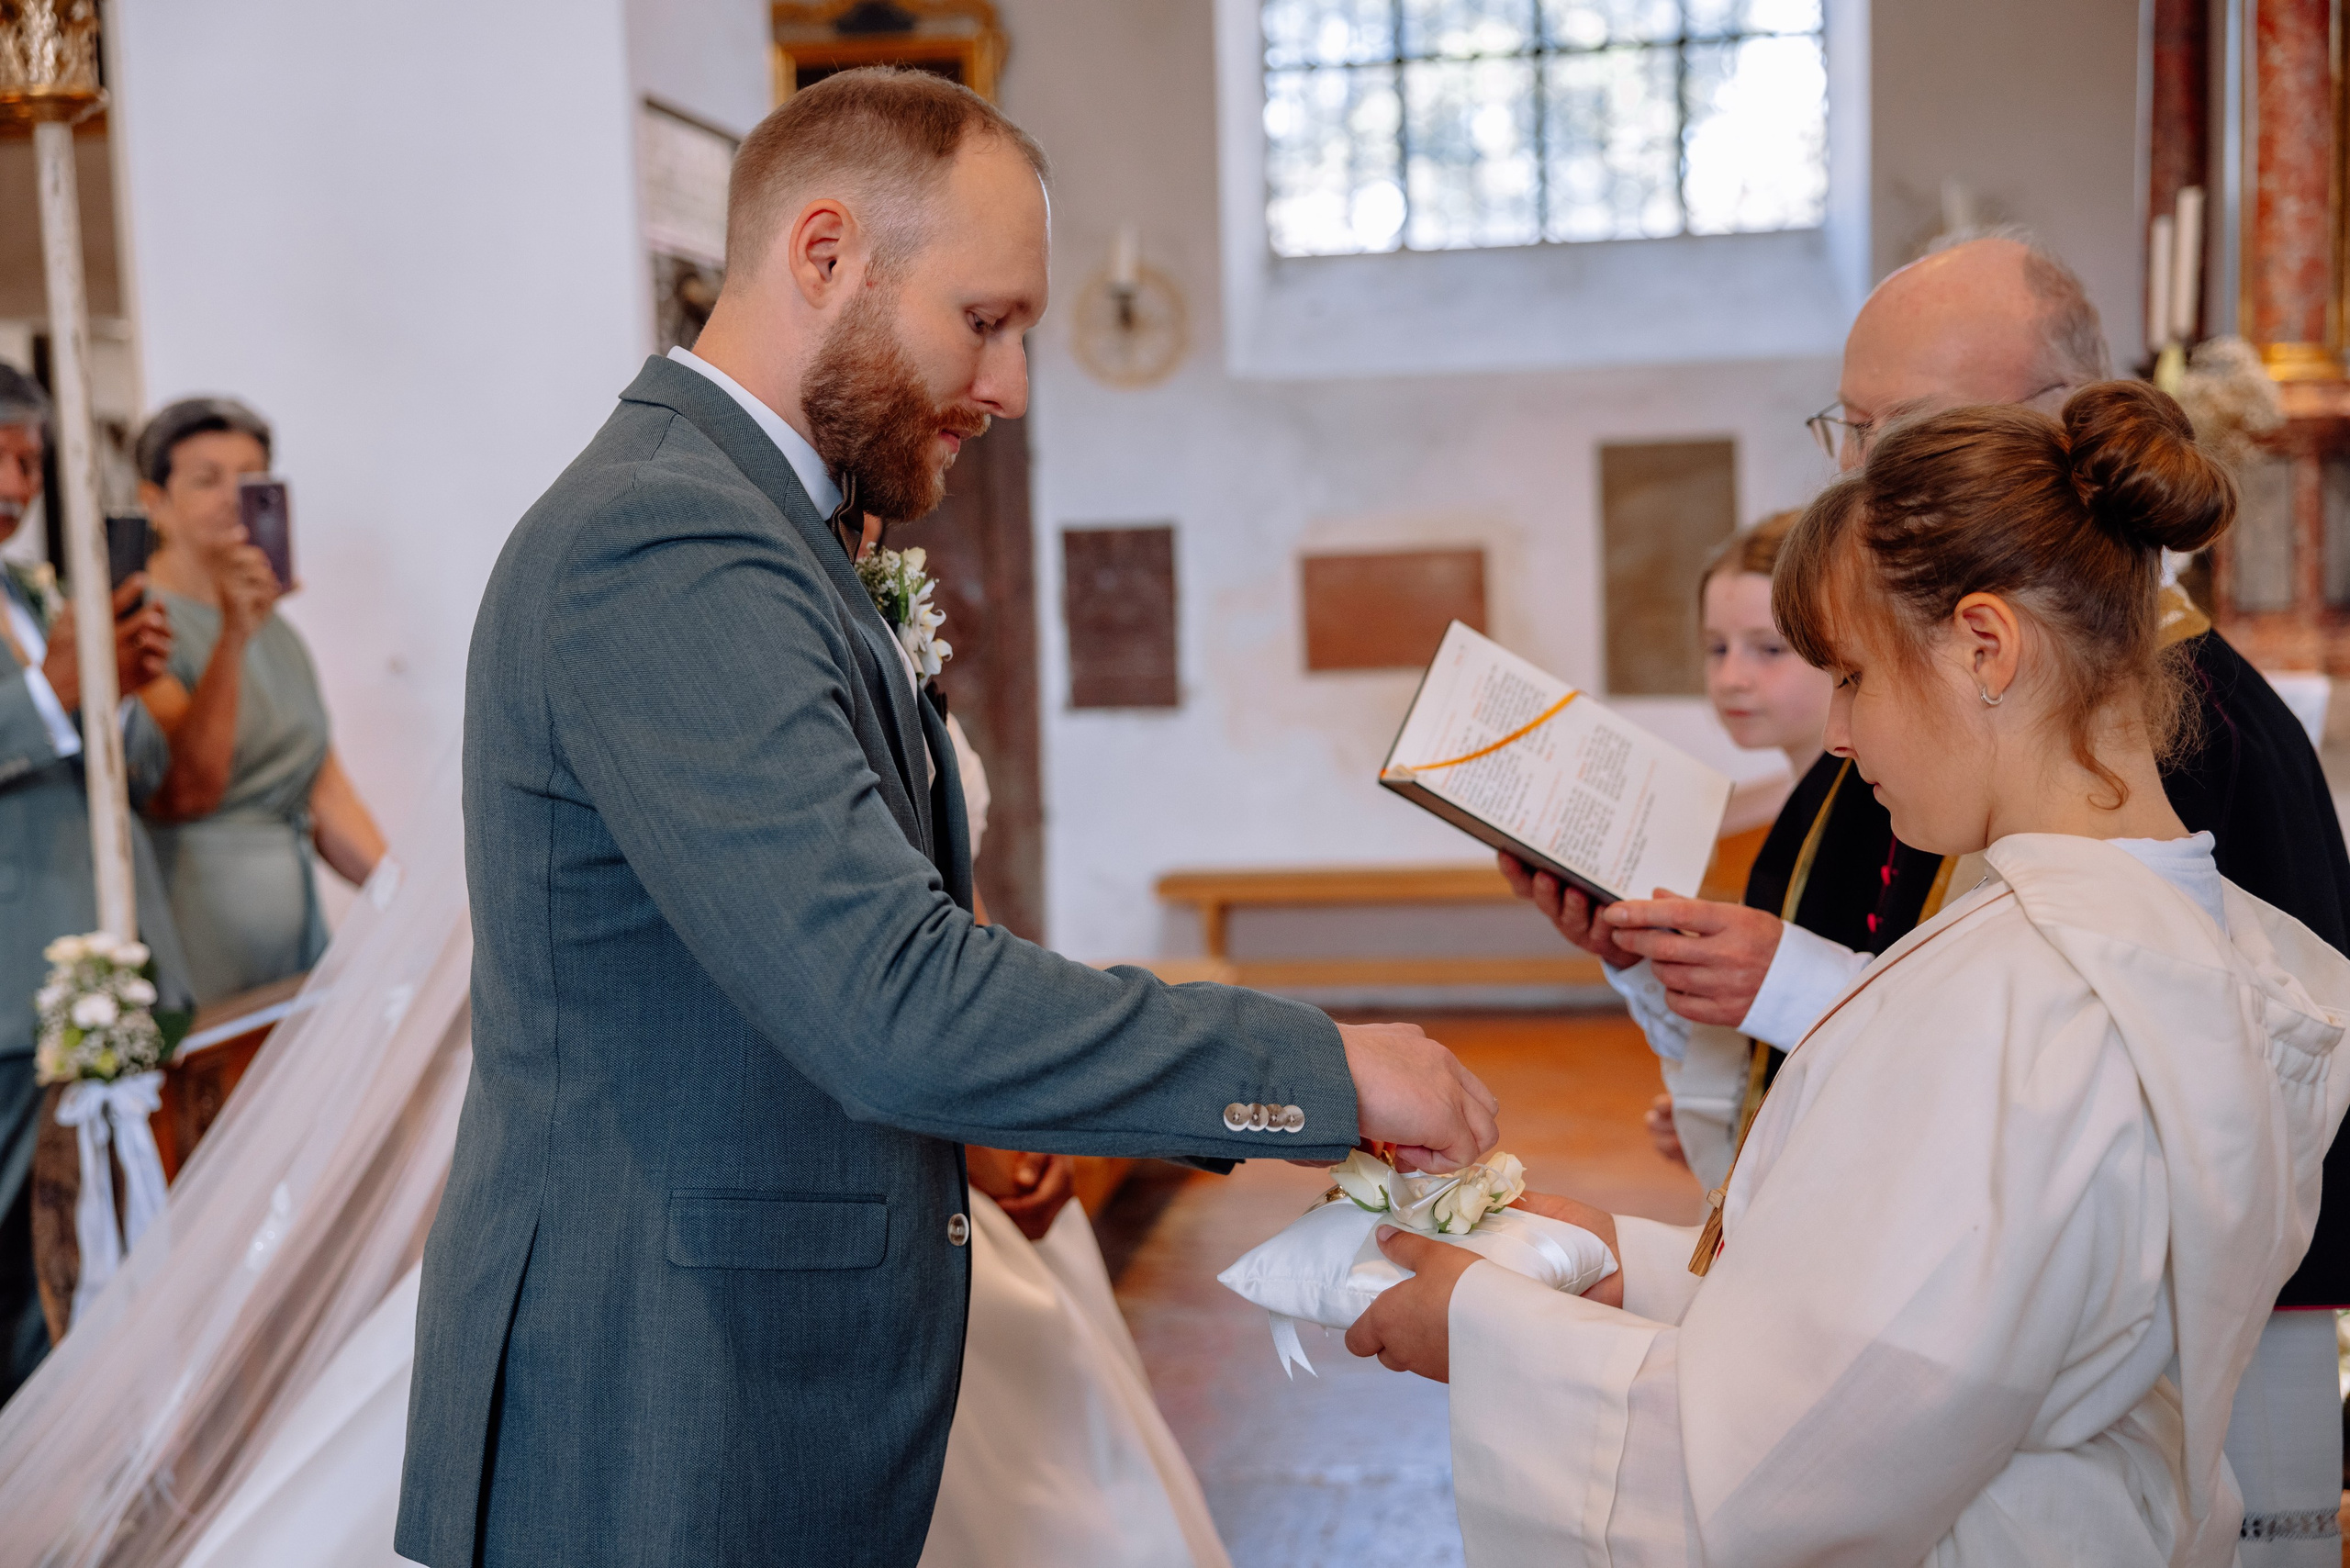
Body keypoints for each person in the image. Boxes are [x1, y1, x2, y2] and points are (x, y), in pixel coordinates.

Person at [397, 69, 1499, 1568]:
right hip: (664, 1394)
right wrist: (1322, 1065)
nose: (1012, 387)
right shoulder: (666, 535)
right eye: (986, 321)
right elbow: (884, 993)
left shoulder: (759, 520)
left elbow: (780, 963)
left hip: (744, 1355)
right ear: (825, 253)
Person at [1355, 382, 2350, 1563]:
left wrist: (1485, 1330)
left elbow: (1791, 1476)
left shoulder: (2021, 1001)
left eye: (1854, 677)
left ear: (1985, 646)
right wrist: (1628, 1258)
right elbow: (1932, 1337)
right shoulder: (2206, 937)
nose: (1835, 732)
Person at [1553, 510, 1961, 1192]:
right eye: (1716, 648)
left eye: (1768, 650)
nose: (1732, 677)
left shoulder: (1892, 807)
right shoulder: (1798, 799)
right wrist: (1718, 1110)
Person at [923, 716, 1228, 1568]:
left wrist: (1031, 1095)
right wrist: (979, 1126)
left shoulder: (898, 630)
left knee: (1080, 1436)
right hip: (903, 1137)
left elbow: (959, 914)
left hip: (973, 1082)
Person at [0, 363, 195, 1402]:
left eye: (31, 461)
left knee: (74, 1256)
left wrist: (117, 688)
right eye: (2, 454)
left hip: (91, 978)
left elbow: (145, 773)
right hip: (6, 988)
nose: (18, 481)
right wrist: (50, 690)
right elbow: (37, 713)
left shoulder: (37, 592)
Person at [131, 398, 385, 1003]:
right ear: (154, 503)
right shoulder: (136, 625)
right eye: (206, 479)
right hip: (192, 925)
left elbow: (325, 792)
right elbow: (188, 786)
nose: (231, 496)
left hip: (289, 939)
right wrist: (232, 637)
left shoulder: (279, 632)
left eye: (250, 479)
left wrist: (407, 901)